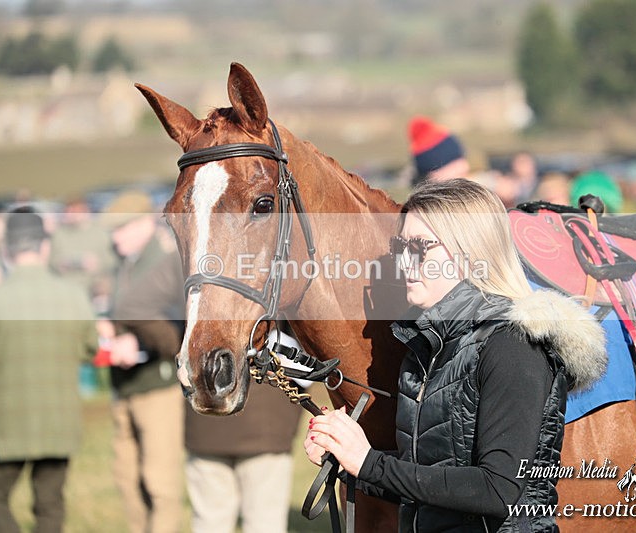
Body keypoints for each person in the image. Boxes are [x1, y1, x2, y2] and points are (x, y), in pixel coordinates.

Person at [304, 179, 607, 532]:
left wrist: (369, 462)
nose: (404, 261)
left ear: (469, 251)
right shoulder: (425, 346)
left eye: (420, 247)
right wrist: (344, 461)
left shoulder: (513, 345)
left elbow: (498, 490)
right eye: (400, 245)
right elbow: (430, 481)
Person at [113, 251, 304, 533]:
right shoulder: (280, 247)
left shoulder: (195, 252)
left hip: (209, 415)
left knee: (210, 522)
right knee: (265, 523)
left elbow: (132, 305)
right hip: (268, 418)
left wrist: (185, 347)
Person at [0, 208, 98, 533]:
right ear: (44, 247)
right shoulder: (74, 298)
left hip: (5, 426)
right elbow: (90, 348)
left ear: (6, 251)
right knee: (50, 504)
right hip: (59, 422)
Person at [100, 191, 184, 533]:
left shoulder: (168, 260)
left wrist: (139, 343)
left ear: (144, 223)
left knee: (160, 484)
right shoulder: (124, 262)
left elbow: (178, 328)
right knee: (127, 478)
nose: (114, 237)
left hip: (158, 386)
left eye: (121, 228)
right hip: (124, 385)